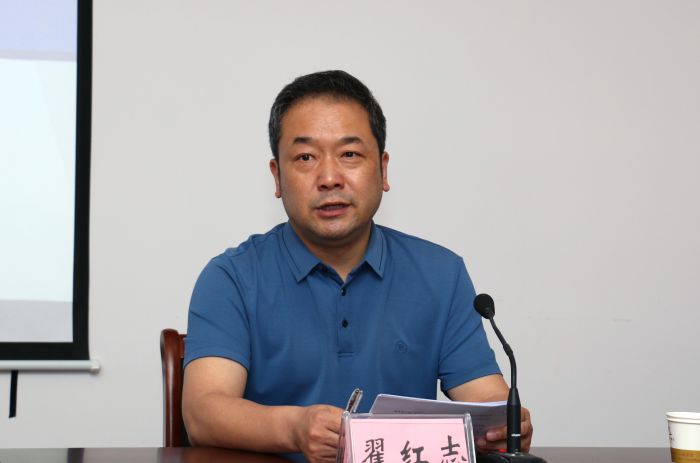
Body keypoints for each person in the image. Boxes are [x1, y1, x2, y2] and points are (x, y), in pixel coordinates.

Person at [182, 70, 533, 463]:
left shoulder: (441, 274)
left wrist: (504, 423)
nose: (329, 178)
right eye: (305, 157)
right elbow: (203, 413)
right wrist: (295, 429)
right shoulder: (231, 278)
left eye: (349, 154)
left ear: (383, 169)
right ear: (277, 177)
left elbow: (486, 397)